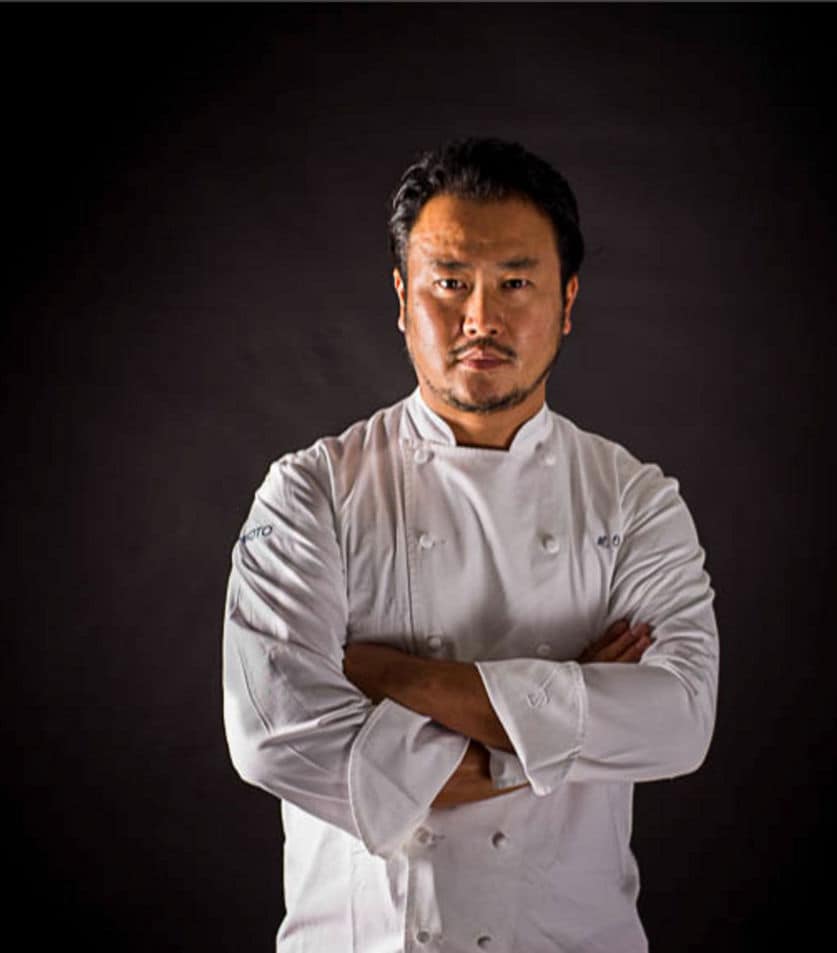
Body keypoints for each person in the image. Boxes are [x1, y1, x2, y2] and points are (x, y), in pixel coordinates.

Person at [222, 137, 719, 953]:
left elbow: (680, 718)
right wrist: (564, 721)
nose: (480, 318)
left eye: (515, 283)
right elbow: (273, 736)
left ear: (567, 301)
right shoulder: (312, 492)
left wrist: (397, 676)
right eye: (449, 283)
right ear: (401, 297)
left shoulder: (635, 500)